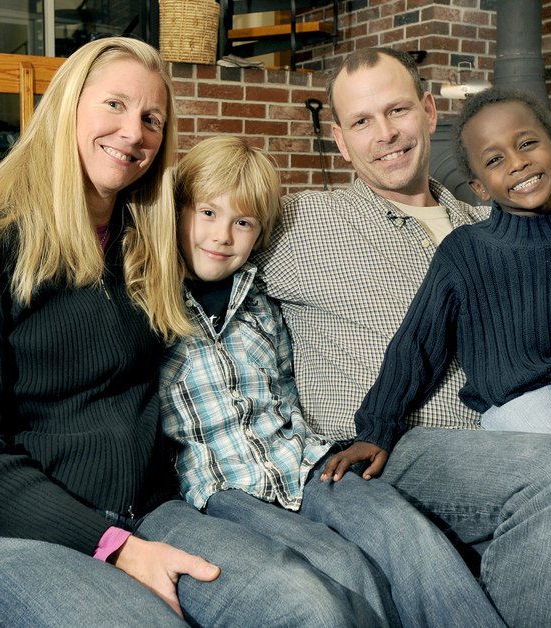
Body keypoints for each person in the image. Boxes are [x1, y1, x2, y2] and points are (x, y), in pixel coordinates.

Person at [0, 37, 393, 627]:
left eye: (151, 118)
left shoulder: (149, 247)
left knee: (310, 605)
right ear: (68, 105)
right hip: (3, 530)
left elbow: (231, 248)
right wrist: (115, 547)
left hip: (148, 512)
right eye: (114, 105)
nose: (133, 132)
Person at [251, 47, 551, 626]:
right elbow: (202, 233)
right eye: (361, 122)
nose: (386, 134)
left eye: (397, 110)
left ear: (428, 110)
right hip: (400, 446)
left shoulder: (496, 214)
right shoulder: (300, 223)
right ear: (342, 143)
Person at [161, 135, 505, 627]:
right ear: (177, 212)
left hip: (306, 461)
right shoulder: (151, 300)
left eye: (243, 222)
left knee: (404, 532)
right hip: (222, 488)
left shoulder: (262, 298)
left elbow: (284, 382)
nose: (222, 236)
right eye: (207, 214)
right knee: (340, 565)